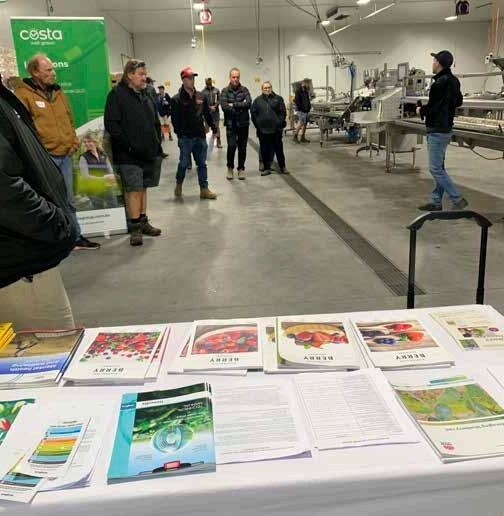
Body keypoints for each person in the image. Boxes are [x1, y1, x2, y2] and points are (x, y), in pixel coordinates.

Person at [0, 73, 76, 329]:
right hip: (20, 265)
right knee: (52, 346)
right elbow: (5, 189)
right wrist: (55, 224)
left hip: (22, 259)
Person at [15, 53, 100, 250]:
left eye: (53, 69)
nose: (54, 73)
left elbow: (69, 118)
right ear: (35, 72)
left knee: (69, 200)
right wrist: (38, 152)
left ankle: (75, 237)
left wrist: (73, 142)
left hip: (65, 156)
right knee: (48, 201)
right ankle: (53, 242)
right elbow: (23, 129)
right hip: (44, 158)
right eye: (48, 70)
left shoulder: (58, 92)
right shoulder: (23, 95)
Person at [104, 59, 163, 246]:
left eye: (145, 74)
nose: (145, 77)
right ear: (130, 75)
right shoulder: (116, 95)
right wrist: (129, 146)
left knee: (143, 187)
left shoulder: (146, 94)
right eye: (141, 74)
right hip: (128, 155)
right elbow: (112, 125)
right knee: (134, 190)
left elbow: (155, 120)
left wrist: (157, 141)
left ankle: (143, 221)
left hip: (148, 152)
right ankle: (135, 227)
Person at [416, 50, 468, 211]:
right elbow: (458, 102)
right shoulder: (454, 81)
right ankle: (436, 201)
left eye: (434, 61)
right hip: (446, 129)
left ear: (438, 63)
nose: (432, 63)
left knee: (435, 169)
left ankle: (457, 198)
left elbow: (433, 108)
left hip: (437, 130)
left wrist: (420, 110)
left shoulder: (439, 84)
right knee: (440, 167)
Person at [171, 67, 218, 200]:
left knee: (202, 164)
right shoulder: (177, 99)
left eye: (193, 78)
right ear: (183, 80)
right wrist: (180, 134)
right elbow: (175, 120)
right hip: (185, 138)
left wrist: (214, 128)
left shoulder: (200, 96)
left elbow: (207, 114)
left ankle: (204, 189)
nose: (192, 80)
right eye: (189, 78)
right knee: (184, 163)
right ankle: (179, 183)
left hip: (199, 136)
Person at [251, 81, 289, 176]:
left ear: (271, 88)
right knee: (264, 149)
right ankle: (266, 168)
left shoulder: (278, 99)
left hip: (276, 130)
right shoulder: (257, 101)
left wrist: (278, 123)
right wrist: (258, 126)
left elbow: (283, 113)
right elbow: (253, 114)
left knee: (279, 149)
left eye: (269, 87)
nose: (267, 89)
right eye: (265, 88)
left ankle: (283, 167)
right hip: (263, 130)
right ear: (262, 89)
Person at [221, 68, 252, 180]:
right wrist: (240, 107)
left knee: (242, 147)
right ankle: (230, 168)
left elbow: (248, 103)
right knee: (231, 146)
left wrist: (234, 104)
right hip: (231, 124)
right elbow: (224, 107)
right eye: (233, 77)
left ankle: (241, 169)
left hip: (243, 124)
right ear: (230, 77)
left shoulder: (244, 90)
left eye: (237, 77)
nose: (236, 79)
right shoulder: (225, 91)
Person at [78, 133, 118, 210]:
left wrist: (112, 177)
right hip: (93, 189)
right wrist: (103, 178)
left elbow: (110, 170)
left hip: (107, 186)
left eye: (89, 141)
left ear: (95, 142)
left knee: (113, 207)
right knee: (99, 210)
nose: (86, 144)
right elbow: (85, 176)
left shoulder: (103, 154)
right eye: (85, 142)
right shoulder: (83, 157)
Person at [202, 78, 222, 149]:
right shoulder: (203, 92)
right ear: (205, 82)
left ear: (211, 82)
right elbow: (202, 103)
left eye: (209, 81)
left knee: (216, 127)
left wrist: (215, 106)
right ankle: (206, 142)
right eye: (207, 82)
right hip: (207, 113)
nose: (208, 83)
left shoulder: (216, 90)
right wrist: (210, 107)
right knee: (206, 128)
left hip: (215, 112)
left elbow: (219, 100)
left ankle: (218, 142)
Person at [293, 78, 312, 143]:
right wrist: (301, 108)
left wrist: (309, 107)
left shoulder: (306, 91)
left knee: (305, 123)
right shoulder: (298, 91)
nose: (308, 85)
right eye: (307, 84)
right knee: (301, 123)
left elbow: (308, 100)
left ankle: (302, 137)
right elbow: (296, 101)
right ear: (304, 83)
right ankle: (295, 136)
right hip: (301, 110)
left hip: (306, 110)